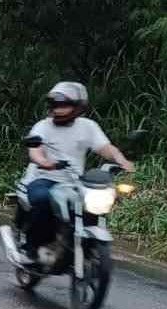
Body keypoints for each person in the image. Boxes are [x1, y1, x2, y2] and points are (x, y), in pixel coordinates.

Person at [18, 81, 134, 260]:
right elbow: (35, 150)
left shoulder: (88, 127)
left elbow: (105, 148)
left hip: (74, 182)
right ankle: (32, 247)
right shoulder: (43, 126)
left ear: (78, 107)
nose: (59, 110)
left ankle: (80, 245)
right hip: (44, 178)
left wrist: (121, 160)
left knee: (91, 206)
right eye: (55, 105)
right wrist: (45, 162)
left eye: (64, 105)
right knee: (42, 200)